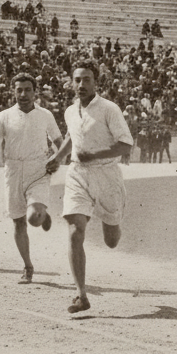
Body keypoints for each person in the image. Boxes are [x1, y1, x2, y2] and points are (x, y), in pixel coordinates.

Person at [49, 62, 133, 314]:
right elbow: (71, 137)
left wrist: (94, 155)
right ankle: (81, 295)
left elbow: (126, 145)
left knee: (111, 240)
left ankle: (114, 223)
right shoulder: (69, 111)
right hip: (77, 173)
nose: (81, 85)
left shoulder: (109, 109)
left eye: (87, 79)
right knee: (75, 229)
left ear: (96, 82)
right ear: (71, 82)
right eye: (77, 80)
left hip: (107, 174)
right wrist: (57, 158)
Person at [0, 73, 64, 283]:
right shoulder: (4, 116)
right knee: (19, 223)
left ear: (35, 92)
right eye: (19, 90)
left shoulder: (45, 115)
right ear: (13, 92)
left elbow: (59, 140)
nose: (23, 94)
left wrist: (57, 158)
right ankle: (27, 266)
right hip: (14, 171)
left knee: (33, 218)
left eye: (28, 90)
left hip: (38, 170)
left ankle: (40, 214)